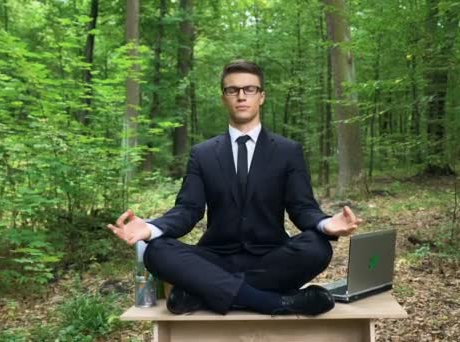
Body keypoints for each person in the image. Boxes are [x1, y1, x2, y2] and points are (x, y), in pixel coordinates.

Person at [108, 60, 362, 316]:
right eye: (233, 90)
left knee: (317, 247)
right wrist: (151, 228)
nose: (241, 96)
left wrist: (326, 223)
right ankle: (273, 302)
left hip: (271, 258)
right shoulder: (203, 154)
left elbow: (302, 207)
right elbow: (188, 210)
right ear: (224, 98)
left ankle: (201, 293)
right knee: (157, 251)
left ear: (261, 97)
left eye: (250, 89)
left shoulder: (288, 151)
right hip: (215, 258)